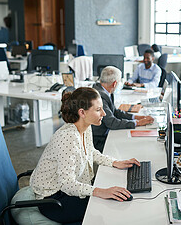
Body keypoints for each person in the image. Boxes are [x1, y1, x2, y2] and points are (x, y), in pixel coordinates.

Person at [30, 87, 140, 223]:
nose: (104, 113)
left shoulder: (85, 127)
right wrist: (101, 191)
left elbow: (90, 152)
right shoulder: (67, 138)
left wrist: (114, 162)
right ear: (82, 112)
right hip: (54, 200)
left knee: (114, 198)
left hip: (67, 191)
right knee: (109, 209)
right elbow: (67, 184)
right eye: (98, 109)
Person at [92, 66, 154, 151]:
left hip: (106, 133)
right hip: (100, 139)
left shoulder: (104, 90)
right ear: (114, 83)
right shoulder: (100, 96)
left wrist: (136, 117)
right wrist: (138, 123)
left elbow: (115, 112)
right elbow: (112, 123)